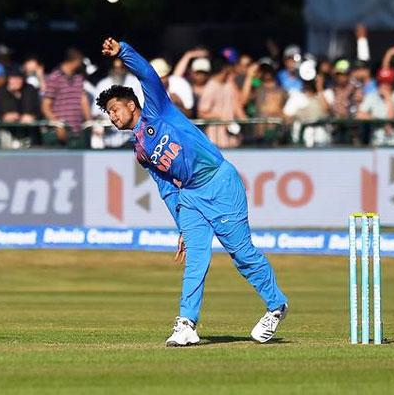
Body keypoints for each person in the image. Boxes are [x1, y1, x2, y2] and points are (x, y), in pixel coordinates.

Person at [97, 37, 288, 346]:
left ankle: (276, 305)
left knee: (241, 254)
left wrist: (124, 52)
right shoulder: (141, 151)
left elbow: (147, 75)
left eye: (114, 108)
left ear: (131, 104)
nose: (112, 116)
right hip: (190, 196)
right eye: (108, 113)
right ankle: (186, 324)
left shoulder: (157, 110)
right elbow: (165, 189)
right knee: (196, 258)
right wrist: (181, 225)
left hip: (220, 182)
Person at [42, 48, 92, 147]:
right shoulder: (54, 77)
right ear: (75, 61)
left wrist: (90, 123)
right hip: (59, 134)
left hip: (78, 132)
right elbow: (45, 106)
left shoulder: (79, 77)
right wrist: (58, 125)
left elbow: (83, 101)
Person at [0, 66, 40, 148]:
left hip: (28, 134)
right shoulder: (0, 93)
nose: (17, 81)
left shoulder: (30, 90)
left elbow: (38, 110)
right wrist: (4, 117)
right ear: (8, 79)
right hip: (7, 133)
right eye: (14, 78)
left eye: (19, 78)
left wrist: (32, 117)